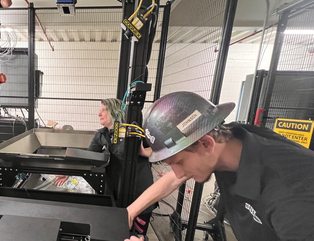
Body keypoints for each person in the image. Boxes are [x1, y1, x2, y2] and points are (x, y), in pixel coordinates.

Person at [125, 91, 314, 241]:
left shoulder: (291, 197)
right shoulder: (230, 138)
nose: (179, 172)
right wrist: (130, 211)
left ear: (207, 144)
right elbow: (176, 176)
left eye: (179, 162)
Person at [54, 98, 156, 236]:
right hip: (116, 192)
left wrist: (143, 152)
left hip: (139, 192)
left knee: (136, 234)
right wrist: (69, 172)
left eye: (103, 110)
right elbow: (87, 158)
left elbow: (159, 151)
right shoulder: (101, 135)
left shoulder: (133, 132)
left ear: (114, 112)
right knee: (116, 232)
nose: (99, 114)